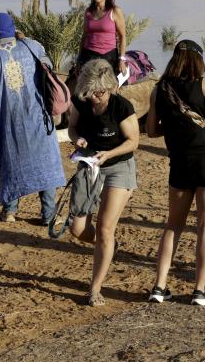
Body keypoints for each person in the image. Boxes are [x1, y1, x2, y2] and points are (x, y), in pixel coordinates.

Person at [145, 39, 205, 306]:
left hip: (179, 162)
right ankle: (199, 290)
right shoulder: (204, 86)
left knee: (173, 225)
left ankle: (159, 286)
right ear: (198, 62)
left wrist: (177, 126)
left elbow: (152, 131)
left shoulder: (159, 90)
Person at [0, 12, 64, 224]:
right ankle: (49, 214)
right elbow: (49, 68)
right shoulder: (32, 46)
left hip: (9, 121)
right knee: (45, 163)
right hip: (39, 116)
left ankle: (9, 211)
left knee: (11, 162)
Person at [67, 59, 139, 306]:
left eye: (100, 92)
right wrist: (77, 141)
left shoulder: (121, 107)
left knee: (105, 228)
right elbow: (73, 128)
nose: (95, 97)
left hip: (118, 167)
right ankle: (109, 246)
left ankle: (95, 289)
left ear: (109, 87)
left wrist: (109, 154)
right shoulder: (80, 101)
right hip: (89, 165)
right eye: (91, 92)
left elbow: (133, 141)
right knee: (77, 229)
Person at [78, 0, 127, 75]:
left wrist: (121, 59)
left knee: (111, 86)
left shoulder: (115, 11)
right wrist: (79, 58)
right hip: (88, 55)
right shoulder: (88, 12)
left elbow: (122, 36)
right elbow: (84, 36)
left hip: (109, 56)